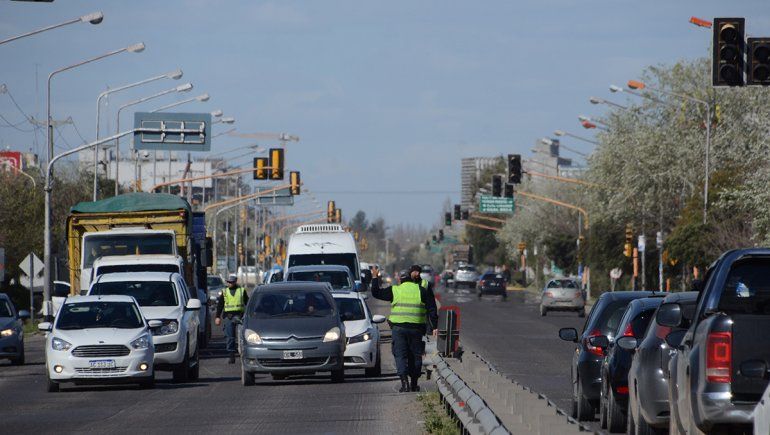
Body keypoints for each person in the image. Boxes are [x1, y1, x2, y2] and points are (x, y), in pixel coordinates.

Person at [371, 265, 438, 392]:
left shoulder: (395, 290)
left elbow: (376, 292)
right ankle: (414, 384)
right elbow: (432, 308)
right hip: (416, 329)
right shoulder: (421, 290)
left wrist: (375, 277)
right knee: (415, 355)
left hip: (399, 329)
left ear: (400, 281)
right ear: (411, 279)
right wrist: (434, 326)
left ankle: (404, 383)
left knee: (400, 355)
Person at [215, 274, 249, 364]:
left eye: (232, 282)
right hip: (229, 317)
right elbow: (220, 305)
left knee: (242, 336)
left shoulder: (241, 291)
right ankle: (231, 356)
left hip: (240, 316)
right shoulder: (225, 291)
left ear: (235, 282)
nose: (230, 283)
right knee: (230, 337)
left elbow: (248, 302)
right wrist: (217, 317)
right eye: (228, 282)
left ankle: (244, 354)